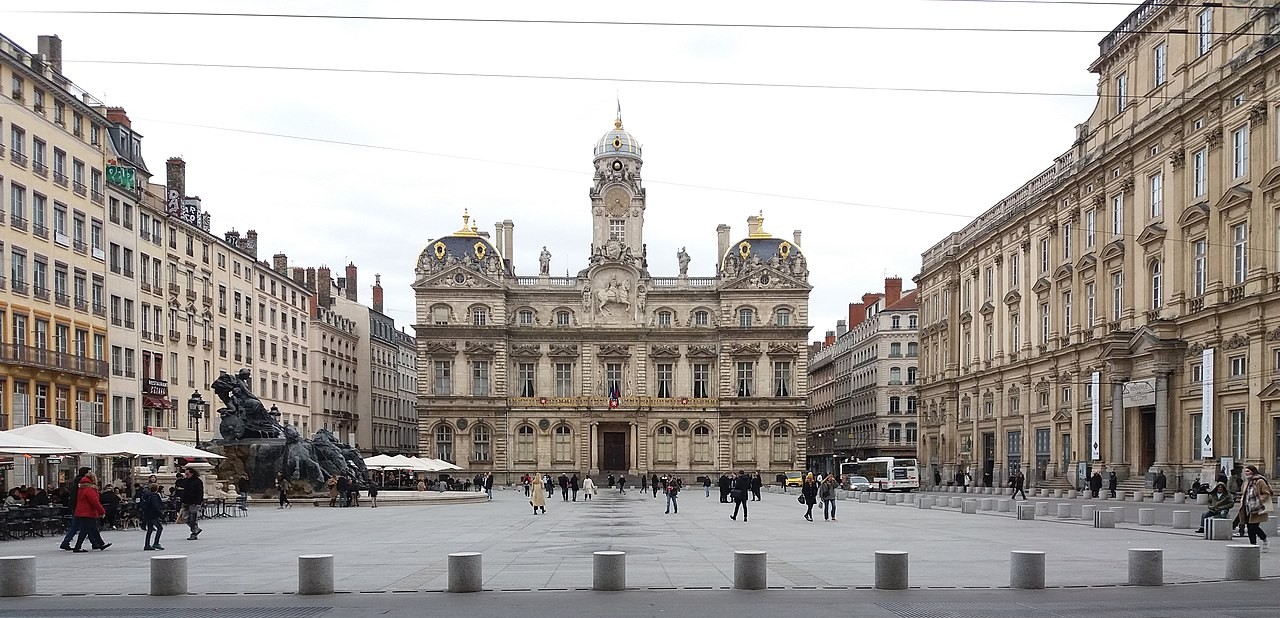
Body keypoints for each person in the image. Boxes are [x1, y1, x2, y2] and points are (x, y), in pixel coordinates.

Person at [72, 472, 111, 552]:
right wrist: (102, 511)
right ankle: (77, 547)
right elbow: (95, 501)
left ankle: (101, 544)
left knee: (93, 529)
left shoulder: (82, 488)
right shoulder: (90, 489)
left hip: (81, 511)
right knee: (84, 530)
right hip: (88, 512)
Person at [59, 466, 93, 551]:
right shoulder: (82, 483)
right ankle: (67, 542)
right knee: (80, 526)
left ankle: (66, 542)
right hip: (79, 507)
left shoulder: (77, 481)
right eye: (89, 472)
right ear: (85, 473)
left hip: (76, 506)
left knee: (80, 526)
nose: (91, 474)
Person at [1239, 465, 1272, 551]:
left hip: (1258, 507)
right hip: (1248, 507)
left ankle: (1264, 539)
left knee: (1253, 527)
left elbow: (1266, 493)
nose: (1246, 473)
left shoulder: (1259, 481)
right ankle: (1253, 545)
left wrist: (1260, 500)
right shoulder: (1247, 481)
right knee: (1250, 528)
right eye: (1245, 471)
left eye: (1248, 471)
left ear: (1253, 471)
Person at [139, 483, 166, 551]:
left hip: (147, 514)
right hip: (153, 514)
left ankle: (147, 544)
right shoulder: (154, 496)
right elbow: (155, 506)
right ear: (157, 489)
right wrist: (161, 514)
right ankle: (156, 543)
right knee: (160, 528)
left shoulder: (146, 495)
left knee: (150, 529)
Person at [181, 468, 204, 540]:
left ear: (192, 473)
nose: (186, 475)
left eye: (187, 474)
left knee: (193, 518)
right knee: (185, 518)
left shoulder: (198, 481)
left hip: (194, 502)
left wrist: (198, 502)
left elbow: (200, 493)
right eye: (185, 474)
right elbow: (184, 492)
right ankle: (196, 529)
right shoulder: (187, 481)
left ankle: (194, 533)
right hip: (187, 502)